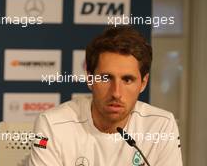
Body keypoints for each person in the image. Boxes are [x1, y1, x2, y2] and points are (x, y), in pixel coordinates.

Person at [29, 26, 183, 166]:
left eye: (127, 80)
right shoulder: (53, 125)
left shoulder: (161, 126)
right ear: (90, 79)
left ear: (143, 83)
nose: (116, 92)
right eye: (106, 78)